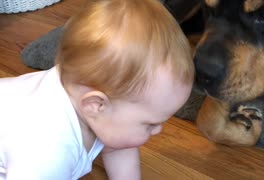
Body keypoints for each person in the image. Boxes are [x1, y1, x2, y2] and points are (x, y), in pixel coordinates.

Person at [0, 0, 194, 179]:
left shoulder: (97, 105)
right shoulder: (47, 151)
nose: (158, 130)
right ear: (96, 105)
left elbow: (119, 146)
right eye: (149, 124)